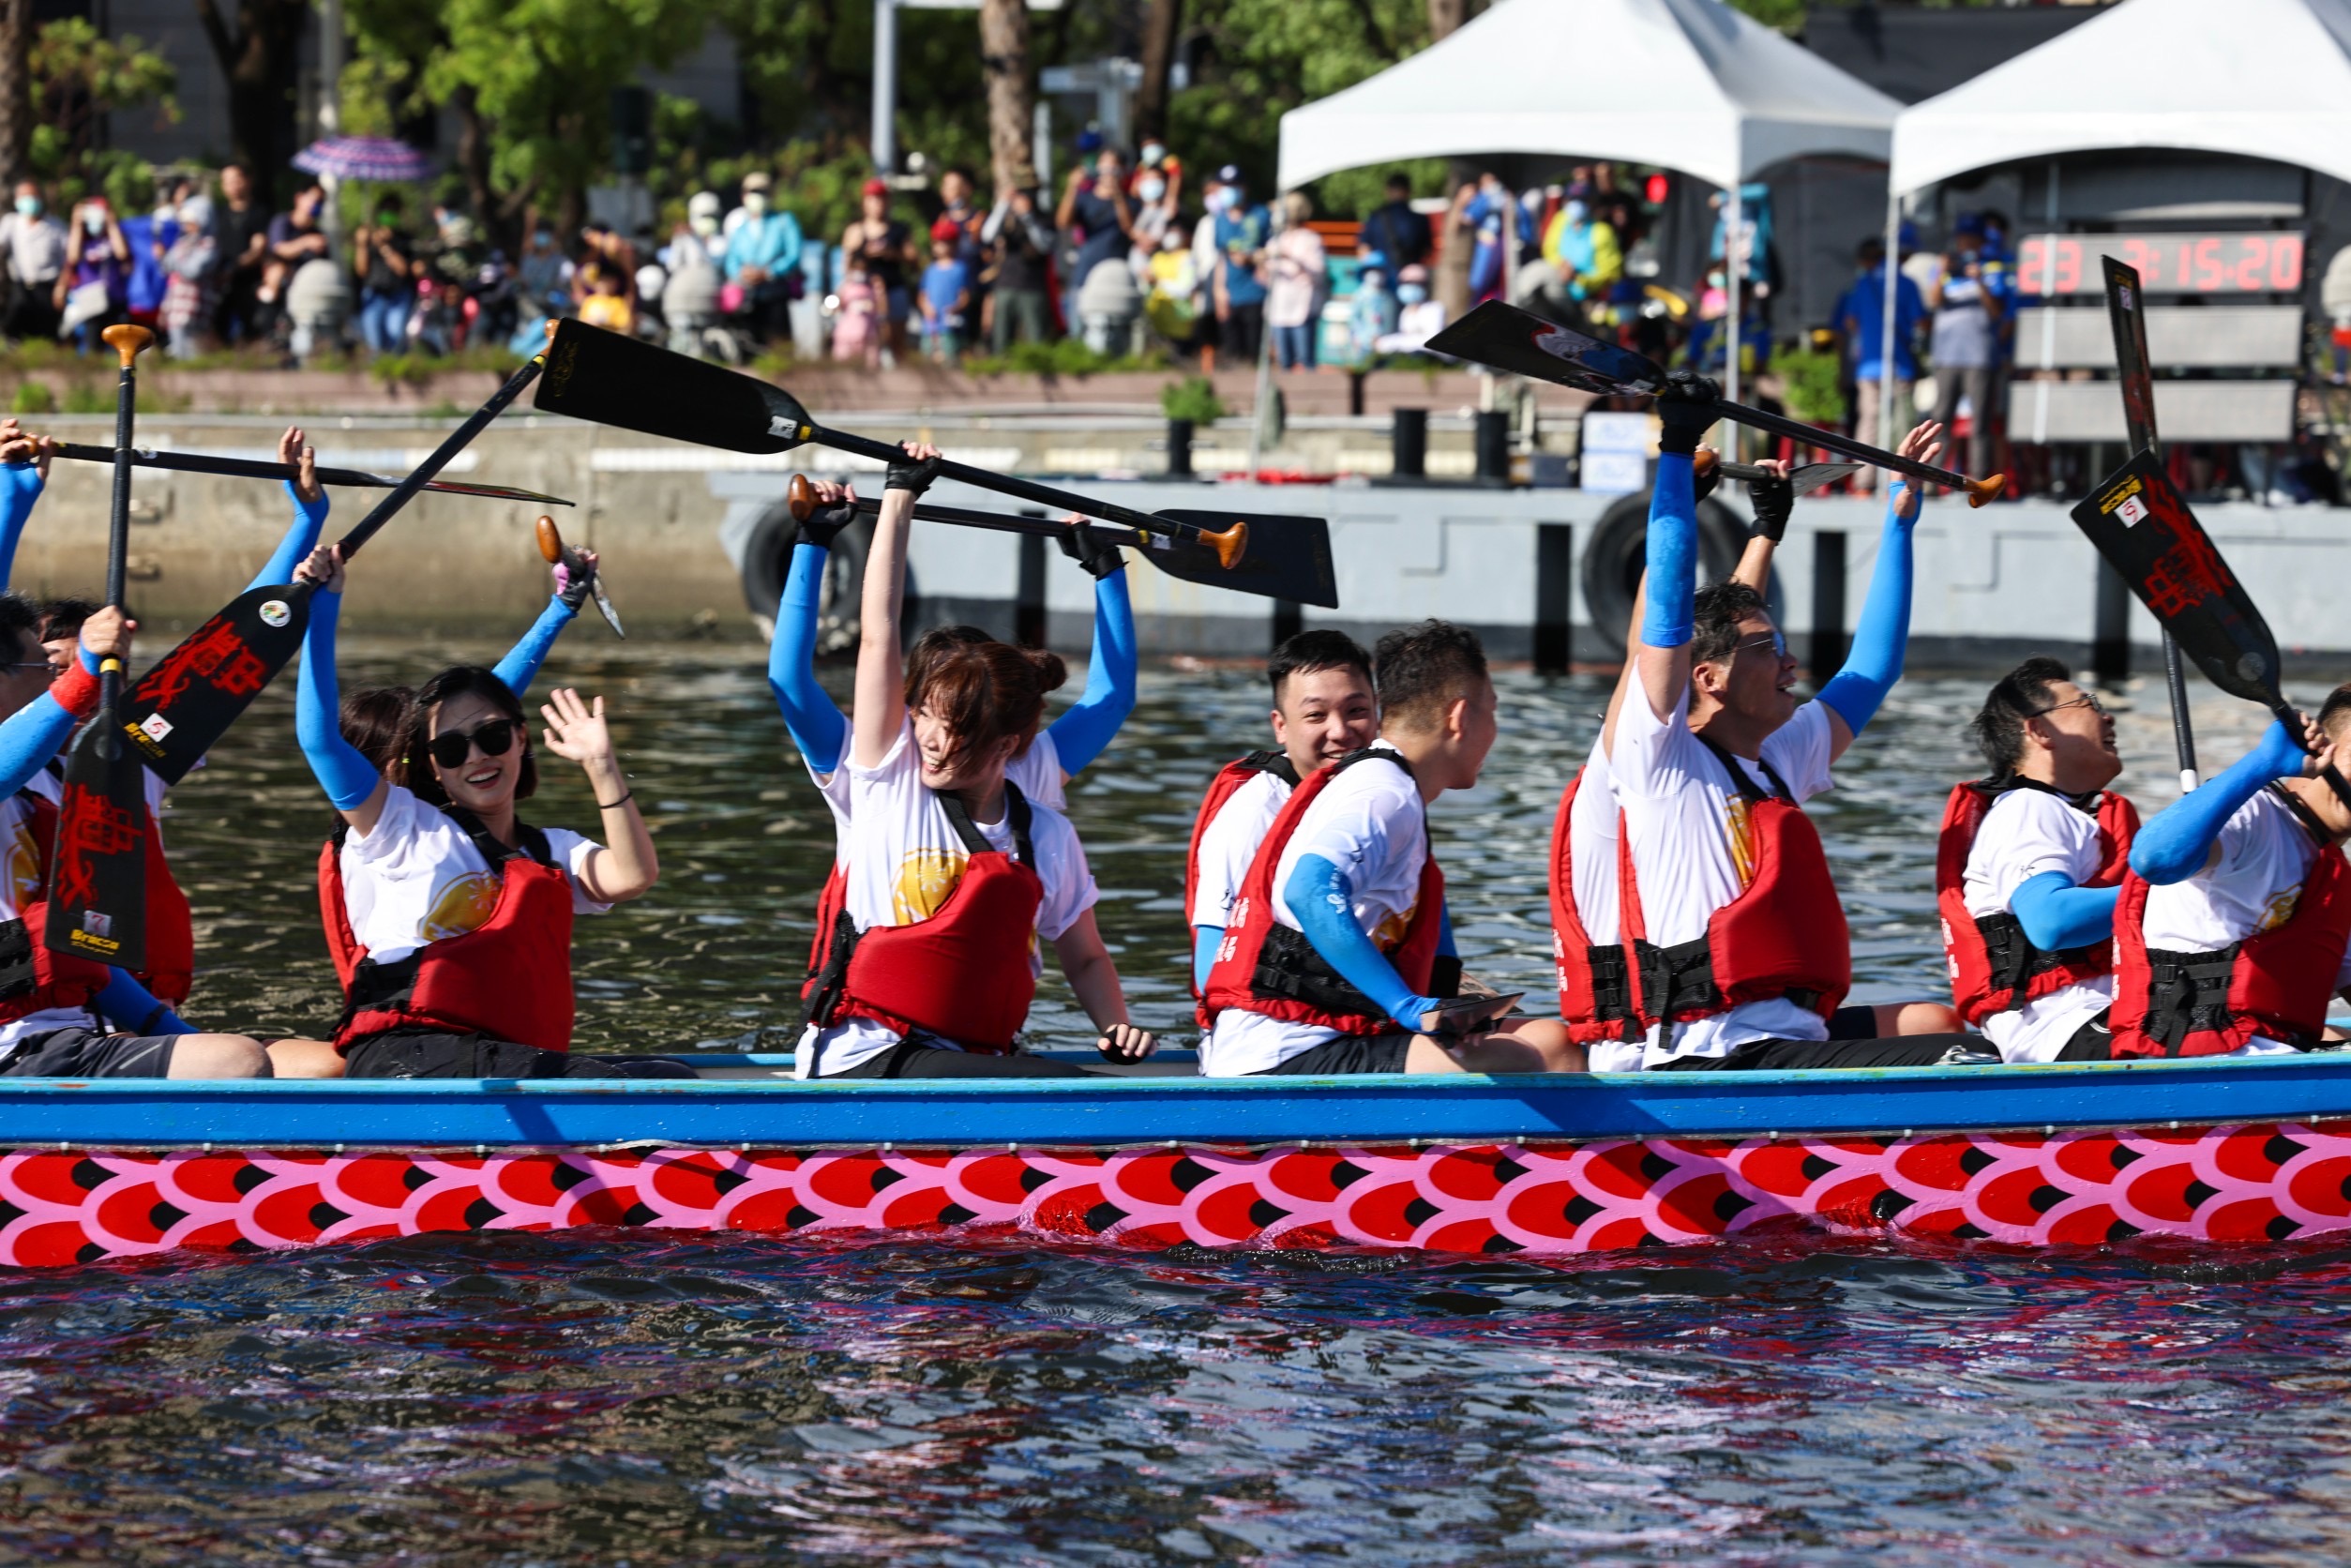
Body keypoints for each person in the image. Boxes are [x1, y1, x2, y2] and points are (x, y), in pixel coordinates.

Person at [1614, 383, 1976, 1070]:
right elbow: (1660, 624)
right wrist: (1675, 451)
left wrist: (1897, 523)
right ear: (1707, 678)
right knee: (1963, 1061)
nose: (1791, 664)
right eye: (1768, 651)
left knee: (1944, 1022)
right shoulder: (1659, 757)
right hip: (1712, 1053)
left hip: (1786, 1034)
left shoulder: (1777, 758)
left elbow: (1871, 670)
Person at [793, 444, 1155, 1079]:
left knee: (1082, 1085)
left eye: (953, 728)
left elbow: (1087, 957)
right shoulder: (888, 777)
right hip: (872, 1056)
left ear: (1005, 746)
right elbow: (877, 633)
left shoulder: (1043, 824)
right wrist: (900, 494)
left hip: (975, 1058)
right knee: (1071, 1095)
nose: (928, 738)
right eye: (924, 714)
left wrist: (1116, 1026)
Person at [292, 539, 683, 1079]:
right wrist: (324, 603)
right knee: (633, 1087)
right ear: (431, 763)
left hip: (498, 1060)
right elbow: (320, 740)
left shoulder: (548, 850)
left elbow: (634, 875)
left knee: (671, 1075)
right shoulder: (398, 827)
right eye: (450, 751)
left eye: (496, 738)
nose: (476, 755)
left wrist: (601, 764)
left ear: (521, 738)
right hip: (412, 1057)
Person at [1199, 621, 1580, 1078]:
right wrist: (1406, 1006)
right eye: (1493, 712)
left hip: (1324, 1034)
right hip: (1286, 1055)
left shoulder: (1382, 781)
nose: (1495, 733)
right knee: (1550, 1055)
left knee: (1549, 1035)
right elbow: (1309, 889)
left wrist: (1446, 1009)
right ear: (1459, 718)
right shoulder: (1387, 794)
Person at [1551, 453, 1786, 1068]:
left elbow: (1724, 637)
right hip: (1647, 1046)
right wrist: (1676, 496)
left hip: (1690, 1023)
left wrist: (1763, 531)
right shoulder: (1637, 756)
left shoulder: (1701, 755)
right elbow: (1659, 636)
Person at [0, 595, 271, 1079]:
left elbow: (216, 661)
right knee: (237, 1061)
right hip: (18, 1050)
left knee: (300, 1063)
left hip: (75, 1030)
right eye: (44, 665)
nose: (52, 680)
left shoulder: (71, 781)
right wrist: (86, 669)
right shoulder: (17, 770)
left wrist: (176, 1029)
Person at [2104, 700, 2351, 1059]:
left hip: (2274, 1070)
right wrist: (2261, 763)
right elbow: (2153, 859)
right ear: (2320, 746)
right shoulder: (2253, 817)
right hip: (2196, 1072)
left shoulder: (2332, 876)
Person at [1937, 658, 2138, 1063]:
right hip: (2064, 1030)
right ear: (2040, 729)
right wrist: (2172, 892)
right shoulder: (2029, 808)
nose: (2108, 716)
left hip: (2089, 1021)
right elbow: (2050, 921)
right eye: (2089, 704)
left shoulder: (2065, 814)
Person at [1188, 630, 1380, 1050]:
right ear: (1281, 726)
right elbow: (1211, 969)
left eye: (1357, 710)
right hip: (1279, 1044)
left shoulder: (1378, 800)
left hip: (1356, 1022)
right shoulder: (1252, 815)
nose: (1341, 732)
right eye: (1316, 716)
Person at [1836, 237, 1925, 494]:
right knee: (1902, 425)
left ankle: (1863, 484)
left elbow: (1850, 322)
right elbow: (1919, 322)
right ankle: (1898, 483)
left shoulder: (1862, 283)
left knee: (1869, 423)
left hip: (1869, 366)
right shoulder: (1908, 285)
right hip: (1900, 364)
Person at [1926, 218, 2000, 483]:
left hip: (1978, 357)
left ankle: (1980, 479)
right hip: (1946, 357)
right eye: (1961, 238)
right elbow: (1933, 302)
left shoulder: (1992, 269)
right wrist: (1941, 272)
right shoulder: (1945, 269)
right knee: (1940, 418)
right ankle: (1933, 480)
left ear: (1981, 242)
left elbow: (1996, 312)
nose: (1965, 244)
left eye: (1971, 239)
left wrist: (1979, 281)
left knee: (1980, 421)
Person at [722, 172, 803, 344]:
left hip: (777, 294)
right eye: (753, 192)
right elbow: (731, 260)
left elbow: (794, 255)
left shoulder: (784, 221)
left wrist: (768, 272)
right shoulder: (740, 229)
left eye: (762, 192)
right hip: (749, 298)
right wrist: (742, 274)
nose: (757, 197)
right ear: (744, 195)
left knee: (778, 344)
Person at [842, 178, 915, 363]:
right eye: (873, 199)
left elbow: (914, 261)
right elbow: (846, 267)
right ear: (865, 202)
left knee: (895, 342)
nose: (878, 204)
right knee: (864, 339)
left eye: (881, 199)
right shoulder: (855, 231)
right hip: (865, 295)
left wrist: (893, 254)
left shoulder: (899, 230)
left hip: (893, 289)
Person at [980, 186, 1053, 352]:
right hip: (1006, 284)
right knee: (1001, 339)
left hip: (1032, 286)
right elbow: (987, 236)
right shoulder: (1006, 218)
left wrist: (1027, 218)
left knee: (1036, 338)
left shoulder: (1043, 218)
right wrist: (1002, 206)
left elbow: (1044, 246)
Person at [1211, 167, 1269, 366]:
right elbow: (1221, 258)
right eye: (1226, 186)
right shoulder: (1220, 219)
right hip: (1230, 293)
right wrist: (1219, 292)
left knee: (1254, 353)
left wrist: (1252, 258)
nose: (1230, 190)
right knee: (1232, 354)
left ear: (1244, 188)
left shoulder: (1261, 214)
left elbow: (1271, 250)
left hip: (1255, 292)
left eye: (1234, 186)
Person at [1058, 148, 1135, 298]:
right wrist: (1072, 187)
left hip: (1115, 278)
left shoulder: (1130, 202)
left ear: (1122, 170)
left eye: (1113, 166)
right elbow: (1063, 222)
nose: (1107, 171)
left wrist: (1117, 193)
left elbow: (1128, 227)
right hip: (1084, 275)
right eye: (1103, 164)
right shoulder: (1085, 198)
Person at [212, 162, 274, 344]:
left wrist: (235, 266)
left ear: (248, 181)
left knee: (252, 328)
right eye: (226, 181)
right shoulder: (217, 213)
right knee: (218, 328)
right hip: (219, 282)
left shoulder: (260, 213)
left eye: (235, 180)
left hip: (249, 281)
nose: (231, 185)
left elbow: (258, 248)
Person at [55, 196, 129, 349]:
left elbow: (122, 253)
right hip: (90, 302)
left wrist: (111, 223)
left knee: (118, 345)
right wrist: (76, 224)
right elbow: (72, 257)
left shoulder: (114, 234)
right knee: (92, 344)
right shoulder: (82, 240)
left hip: (115, 299)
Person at [1264, 191, 1326, 371]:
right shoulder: (1275, 240)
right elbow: (1266, 276)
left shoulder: (1311, 239)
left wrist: (1289, 257)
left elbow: (1318, 271)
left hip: (1303, 307)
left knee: (1306, 360)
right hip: (1279, 308)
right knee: (1284, 363)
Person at [259, 182, 330, 331]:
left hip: (308, 293)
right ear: (299, 198)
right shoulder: (282, 222)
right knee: (278, 271)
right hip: (280, 290)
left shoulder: (318, 233)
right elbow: (280, 249)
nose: (317, 205)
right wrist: (306, 242)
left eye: (321, 202)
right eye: (314, 200)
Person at [158, 184, 219, 359]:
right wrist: (164, 257)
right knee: (177, 342)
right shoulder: (182, 242)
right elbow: (165, 267)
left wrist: (172, 261)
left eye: (190, 221)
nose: (186, 225)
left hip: (195, 306)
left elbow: (193, 271)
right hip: (176, 302)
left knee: (193, 346)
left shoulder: (208, 244)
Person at [352, 193, 417, 354]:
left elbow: (403, 269)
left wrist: (384, 247)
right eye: (386, 210)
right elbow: (361, 271)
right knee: (374, 342)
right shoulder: (367, 238)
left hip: (398, 295)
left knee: (395, 338)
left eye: (393, 210)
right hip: (374, 294)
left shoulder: (405, 239)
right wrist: (361, 245)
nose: (389, 214)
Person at [0, 180, 65, 342]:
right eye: (24, 195)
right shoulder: (11, 222)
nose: (29, 200)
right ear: (16, 199)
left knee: (47, 335)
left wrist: (62, 286)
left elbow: (69, 259)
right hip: (20, 288)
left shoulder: (56, 225)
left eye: (33, 195)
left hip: (48, 290)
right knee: (13, 334)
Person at [917, 219, 971, 364]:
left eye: (947, 242)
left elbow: (965, 296)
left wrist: (956, 308)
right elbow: (922, 296)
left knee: (951, 361)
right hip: (930, 328)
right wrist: (927, 308)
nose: (943, 246)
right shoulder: (929, 270)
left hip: (951, 327)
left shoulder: (960, 269)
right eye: (939, 242)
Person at [1358, 174, 1431, 277]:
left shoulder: (1375, 217)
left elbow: (1364, 248)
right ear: (1409, 191)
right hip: (1409, 279)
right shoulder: (1420, 219)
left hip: (1381, 278)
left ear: (1387, 191)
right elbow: (1427, 251)